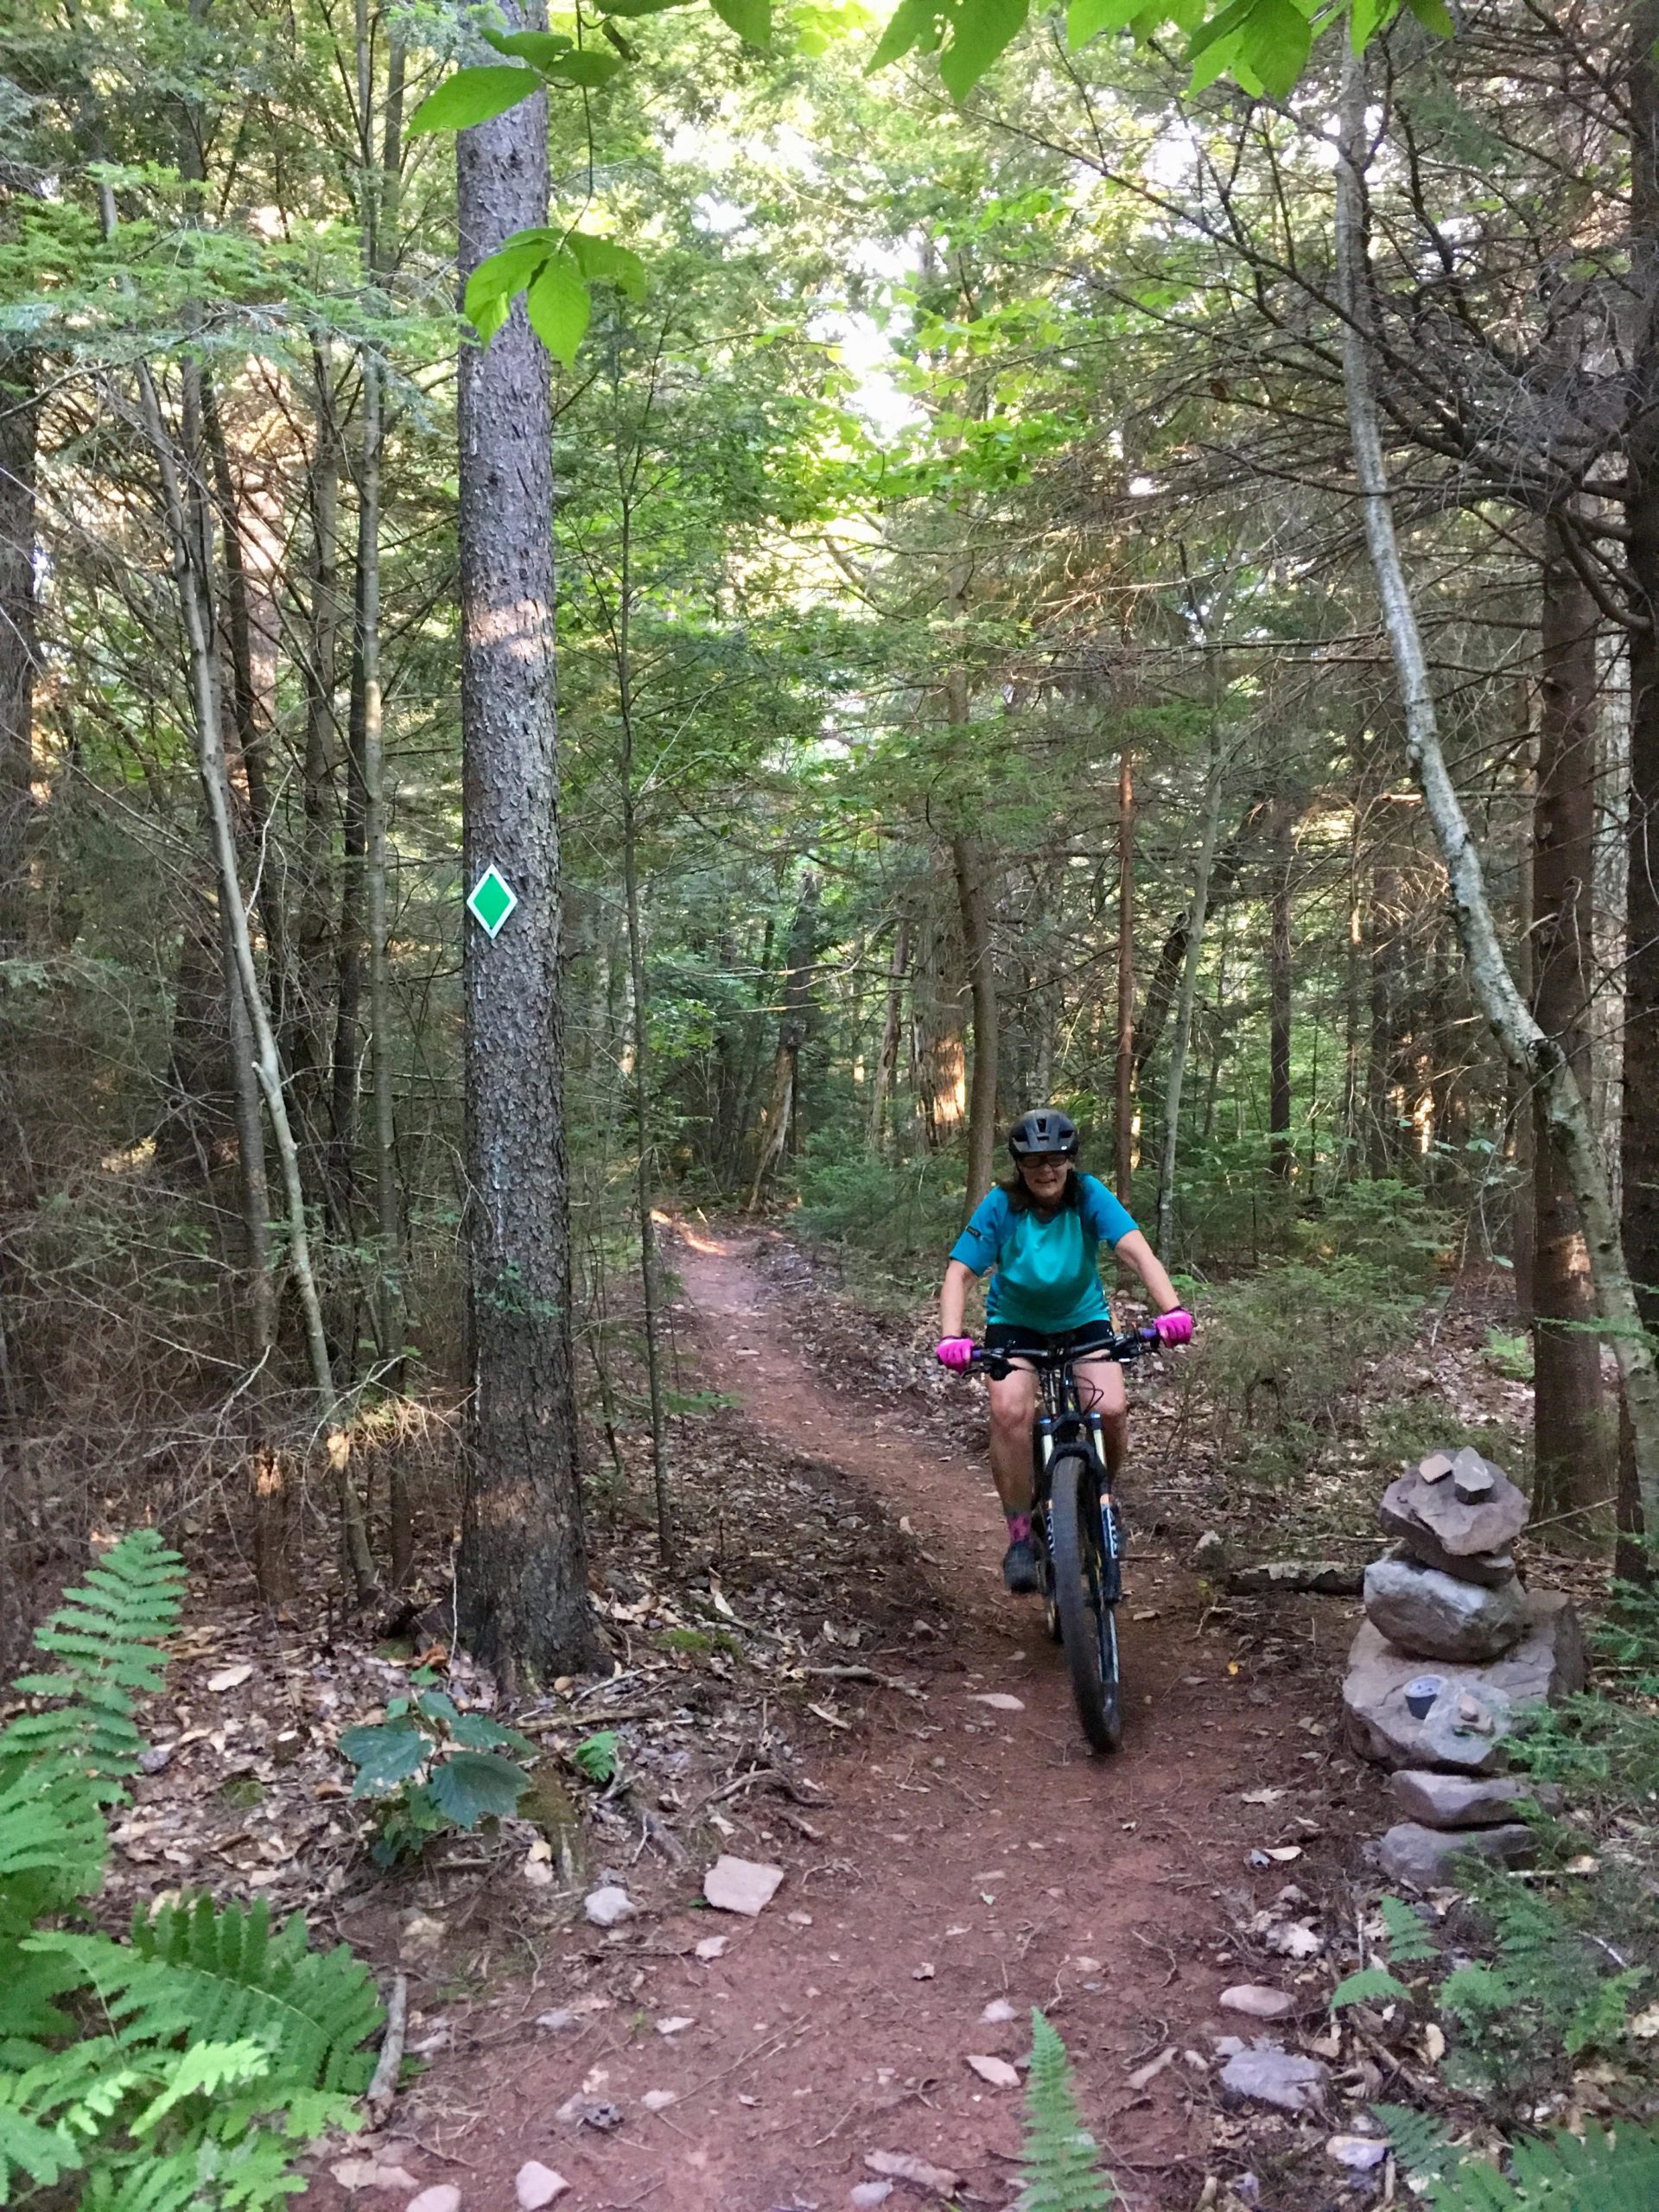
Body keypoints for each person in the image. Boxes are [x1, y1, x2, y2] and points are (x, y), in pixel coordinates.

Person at [936, 1108, 1193, 1593]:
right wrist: (952, 1337)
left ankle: (1103, 1498)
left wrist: (1172, 1310)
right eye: (1034, 1162)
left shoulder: (1089, 1195)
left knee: (1111, 1409)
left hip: (1083, 1321)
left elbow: (1137, 1252)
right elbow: (960, 1273)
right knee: (1010, 1412)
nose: (1045, 1170)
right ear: (1019, 1166)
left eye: (1055, 1159)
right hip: (1015, 1324)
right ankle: (1018, 1536)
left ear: (1070, 1160)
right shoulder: (1001, 1205)